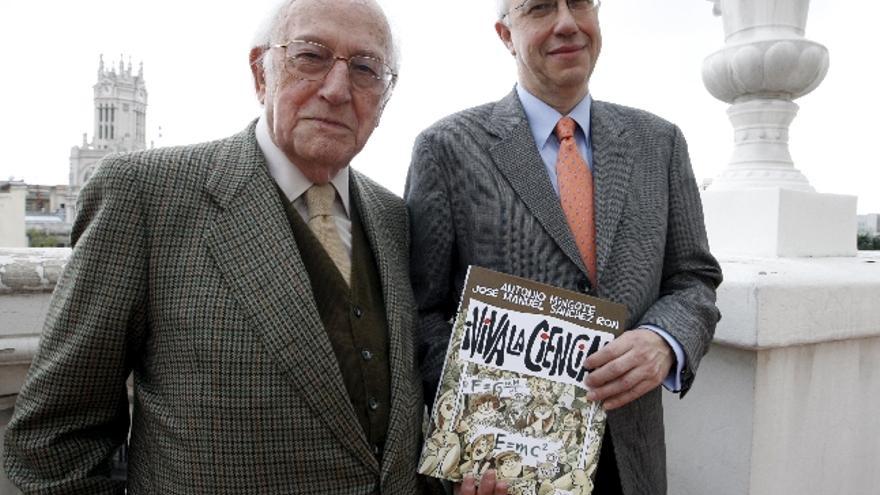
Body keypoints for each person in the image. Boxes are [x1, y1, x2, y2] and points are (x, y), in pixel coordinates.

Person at [4, 1, 506, 494]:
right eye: (310, 56)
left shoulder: (395, 217)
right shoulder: (146, 196)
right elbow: (53, 443)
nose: (336, 89)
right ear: (261, 72)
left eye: (365, 68)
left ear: (385, 97)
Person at [405, 0, 723, 493]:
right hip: (508, 468)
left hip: (632, 461)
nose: (567, 23)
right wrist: (472, 431)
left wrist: (667, 340)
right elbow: (423, 311)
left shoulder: (660, 142)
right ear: (505, 35)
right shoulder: (446, 149)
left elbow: (693, 280)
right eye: (539, 8)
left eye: (579, 3)